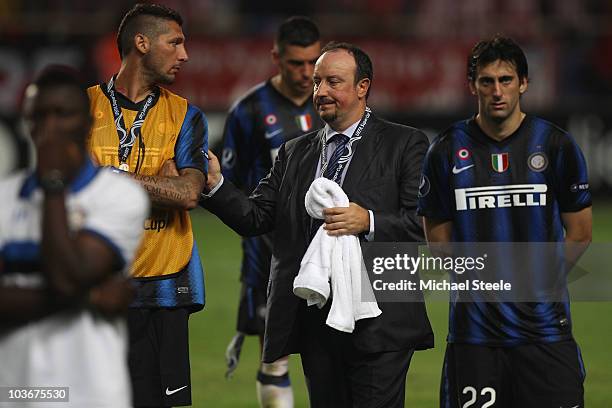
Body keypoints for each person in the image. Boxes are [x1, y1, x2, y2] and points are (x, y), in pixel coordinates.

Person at [202, 42, 434, 408]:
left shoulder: (404, 143)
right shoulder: (296, 152)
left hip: (378, 318)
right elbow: (256, 216)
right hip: (315, 316)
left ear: (362, 87)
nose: (321, 92)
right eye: (317, 82)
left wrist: (369, 220)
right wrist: (215, 184)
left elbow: (424, 223)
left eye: (334, 82)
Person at [417, 35, 592, 407]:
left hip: (545, 331)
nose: (497, 91)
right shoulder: (446, 150)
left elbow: (580, 231)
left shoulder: (556, 145)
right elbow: (437, 236)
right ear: (472, 86)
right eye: (487, 81)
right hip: (474, 336)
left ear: (524, 83)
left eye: (506, 80)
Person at [0, 66, 149, 407]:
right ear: (26, 123)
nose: (49, 127)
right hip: (15, 393)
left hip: (90, 394)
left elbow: (69, 277)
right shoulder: (3, 198)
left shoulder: (118, 196)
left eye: (62, 114)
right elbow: (71, 287)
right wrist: (89, 299)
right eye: (39, 116)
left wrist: (52, 185)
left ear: (87, 123)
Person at [86, 4, 208, 407]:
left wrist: (111, 179)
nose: (185, 55)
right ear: (141, 43)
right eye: (174, 42)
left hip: (165, 288)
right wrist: (161, 183)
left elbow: (189, 193)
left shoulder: (186, 116)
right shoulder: (81, 110)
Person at [220, 15, 322, 407]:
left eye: (313, 62)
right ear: (275, 56)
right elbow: (228, 185)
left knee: (328, 352)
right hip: (268, 254)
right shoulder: (247, 112)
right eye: (297, 63)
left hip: (328, 248)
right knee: (274, 354)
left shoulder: (333, 102)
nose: (306, 72)